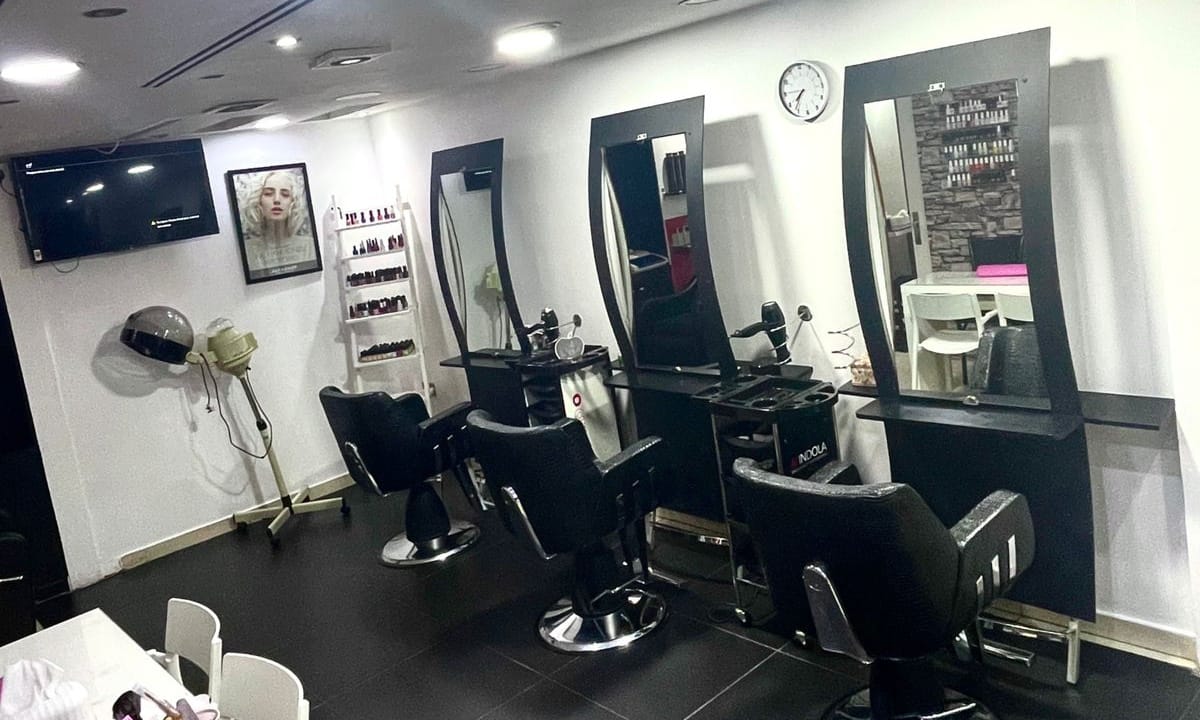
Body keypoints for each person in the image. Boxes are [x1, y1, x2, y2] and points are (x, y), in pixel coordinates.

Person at [240, 170, 317, 277]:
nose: (277, 200)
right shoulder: (247, 250)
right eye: (268, 194)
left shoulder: (309, 246)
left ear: (293, 202)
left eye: (285, 195)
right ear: (258, 201)